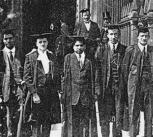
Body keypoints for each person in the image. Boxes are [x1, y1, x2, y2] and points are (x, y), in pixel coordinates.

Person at [23, 32, 61, 137]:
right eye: (40, 42)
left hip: (50, 93)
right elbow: (27, 77)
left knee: (47, 121)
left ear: (47, 42)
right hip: (37, 92)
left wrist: (58, 90)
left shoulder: (51, 56)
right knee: (36, 121)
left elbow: (56, 74)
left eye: (44, 41)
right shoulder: (30, 57)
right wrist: (34, 94)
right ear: (36, 44)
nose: (43, 44)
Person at [95, 25, 127, 137]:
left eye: (116, 34)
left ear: (119, 35)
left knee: (118, 118)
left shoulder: (124, 50)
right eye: (111, 34)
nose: (113, 37)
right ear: (107, 35)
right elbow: (97, 71)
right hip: (105, 89)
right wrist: (97, 88)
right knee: (104, 118)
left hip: (119, 89)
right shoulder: (101, 49)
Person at [122, 27, 153, 137]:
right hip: (135, 88)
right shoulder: (131, 51)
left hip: (149, 89)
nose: (144, 38)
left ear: (148, 37)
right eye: (142, 36)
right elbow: (125, 72)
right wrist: (127, 88)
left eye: (146, 36)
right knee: (133, 115)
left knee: (149, 116)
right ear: (137, 37)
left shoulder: (151, 51)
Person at [61, 36, 93, 137]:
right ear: (73, 47)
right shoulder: (68, 58)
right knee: (72, 121)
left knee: (85, 122)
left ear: (85, 47)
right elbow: (65, 77)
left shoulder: (89, 60)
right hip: (72, 95)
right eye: (77, 45)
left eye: (81, 45)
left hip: (85, 96)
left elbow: (93, 77)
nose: (79, 48)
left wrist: (95, 92)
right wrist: (63, 93)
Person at [0, 29, 24, 137]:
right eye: (6, 39)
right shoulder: (1, 54)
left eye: (10, 38)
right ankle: (9, 133)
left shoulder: (21, 53)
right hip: (6, 87)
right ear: (3, 40)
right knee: (8, 112)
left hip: (20, 87)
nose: (8, 41)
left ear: (14, 39)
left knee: (21, 110)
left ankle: (20, 133)